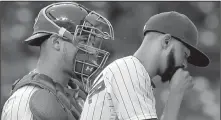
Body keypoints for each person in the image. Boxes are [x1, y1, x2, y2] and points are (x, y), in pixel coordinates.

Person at [80, 11, 210, 120]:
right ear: (166, 41)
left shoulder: (126, 70)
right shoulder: (130, 71)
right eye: (184, 55)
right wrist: (175, 95)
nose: (184, 64)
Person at [1, 2, 114, 120]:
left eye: (92, 43)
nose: (93, 51)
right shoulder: (25, 100)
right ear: (56, 43)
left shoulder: (78, 95)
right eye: (84, 41)